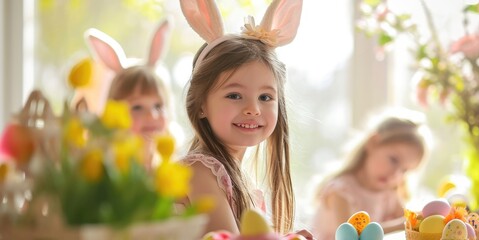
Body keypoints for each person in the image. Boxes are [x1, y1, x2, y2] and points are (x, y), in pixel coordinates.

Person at [177, 0, 312, 238]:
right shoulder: (199, 170)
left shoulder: (240, 180)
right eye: (234, 95)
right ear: (200, 106)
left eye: (265, 97)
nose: (253, 109)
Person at [310, 109, 430, 239]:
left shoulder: (389, 192)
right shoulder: (341, 191)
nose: (395, 174)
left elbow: (408, 221)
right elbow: (351, 236)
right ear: (373, 143)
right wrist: (403, 224)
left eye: (404, 170)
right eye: (393, 160)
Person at [82, 19, 177, 171]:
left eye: (158, 106)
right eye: (137, 107)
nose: (152, 116)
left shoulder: (172, 169)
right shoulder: (109, 167)